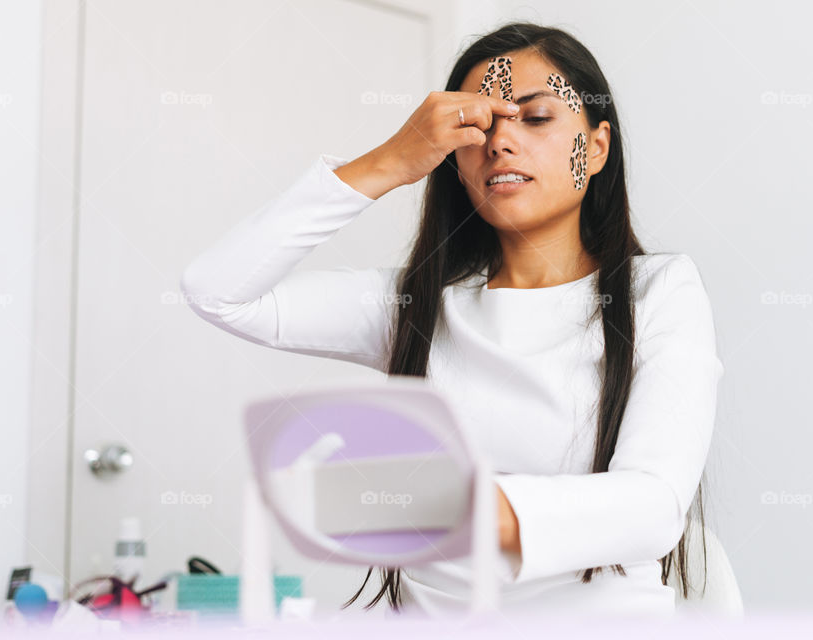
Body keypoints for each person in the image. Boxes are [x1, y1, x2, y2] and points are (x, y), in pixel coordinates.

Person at [179, 22, 724, 618]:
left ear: (595, 148)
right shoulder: (417, 304)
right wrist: (389, 161)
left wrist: (446, 505)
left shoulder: (658, 291)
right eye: (478, 127)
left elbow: (652, 506)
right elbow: (217, 292)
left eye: (536, 117)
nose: (500, 142)